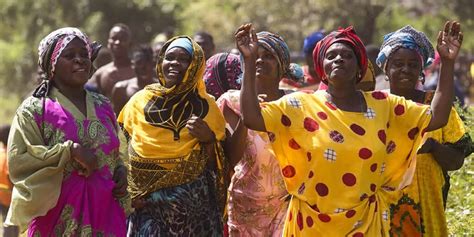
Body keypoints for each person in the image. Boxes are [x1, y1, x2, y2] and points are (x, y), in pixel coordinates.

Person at [235, 21, 462, 236]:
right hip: (311, 226)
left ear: (360, 67)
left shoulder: (384, 105)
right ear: (321, 68)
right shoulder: (300, 105)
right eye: (331, 56)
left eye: (347, 56)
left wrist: (448, 63)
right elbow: (252, 118)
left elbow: (437, 117)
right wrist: (248, 60)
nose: (339, 60)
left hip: (365, 224)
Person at [5, 27, 128, 236]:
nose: (80, 60)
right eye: (70, 55)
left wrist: (122, 171)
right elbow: (20, 161)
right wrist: (69, 151)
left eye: (84, 54)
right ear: (51, 66)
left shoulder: (103, 105)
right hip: (57, 220)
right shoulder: (35, 110)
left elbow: (119, 151)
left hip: (104, 215)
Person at [118, 36, 227, 236]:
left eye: (184, 59)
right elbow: (120, 150)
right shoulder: (139, 101)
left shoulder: (208, 107)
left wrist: (209, 139)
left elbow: (219, 168)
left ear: (195, 66)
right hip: (145, 206)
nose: (175, 63)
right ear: (161, 62)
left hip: (192, 214)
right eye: (170, 57)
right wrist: (129, 193)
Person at [376, 25, 473, 236]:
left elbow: (456, 161)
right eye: (398, 63)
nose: (405, 69)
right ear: (386, 68)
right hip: (383, 216)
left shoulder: (436, 105)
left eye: (413, 64)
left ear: (421, 70)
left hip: (428, 212)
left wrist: (432, 147)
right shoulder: (375, 107)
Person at [217, 31, 302, 236]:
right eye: (255, 56)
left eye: (268, 56)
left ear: (282, 66)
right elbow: (231, 158)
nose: (260, 61)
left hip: (286, 203)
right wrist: (251, 112)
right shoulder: (230, 102)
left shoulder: (296, 103)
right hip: (244, 206)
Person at [87, 23, 135, 99]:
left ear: (130, 44)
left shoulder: (139, 71)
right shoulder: (101, 74)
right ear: (108, 42)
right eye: (114, 38)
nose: (117, 42)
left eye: (122, 39)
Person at [111, 45, 158, 114]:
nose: (143, 67)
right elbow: (115, 119)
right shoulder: (121, 89)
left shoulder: (162, 89)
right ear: (133, 64)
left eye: (147, 63)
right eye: (139, 63)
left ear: (153, 64)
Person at [0, 125, 18, 237]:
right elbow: (9, 176)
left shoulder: (1, 153)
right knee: (11, 225)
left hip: (2, 195)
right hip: (9, 196)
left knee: (6, 222)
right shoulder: (9, 155)